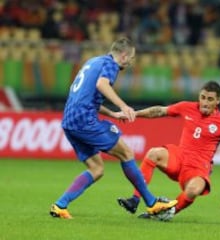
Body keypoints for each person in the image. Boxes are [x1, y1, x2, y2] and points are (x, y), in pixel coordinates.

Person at [49, 37, 177, 219]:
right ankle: (151, 202)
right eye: (131, 57)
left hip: (70, 121)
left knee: (96, 169)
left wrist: (113, 114)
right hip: (85, 120)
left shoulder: (93, 62)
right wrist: (123, 106)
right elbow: (102, 85)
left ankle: (60, 205)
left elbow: (87, 96)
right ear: (123, 55)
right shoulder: (111, 64)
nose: (131, 61)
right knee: (126, 153)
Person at [118, 81, 220, 218]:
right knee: (153, 153)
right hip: (179, 157)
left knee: (193, 190)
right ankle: (135, 200)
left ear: (218, 101)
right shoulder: (187, 107)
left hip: (198, 167)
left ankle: (165, 211)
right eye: (203, 97)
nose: (205, 102)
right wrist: (135, 114)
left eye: (210, 99)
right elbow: (159, 111)